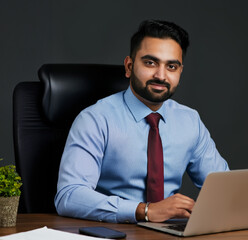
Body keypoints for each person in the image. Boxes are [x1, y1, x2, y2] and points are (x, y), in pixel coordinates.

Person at [55, 19, 229, 224]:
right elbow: (69, 196)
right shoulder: (95, 119)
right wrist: (144, 211)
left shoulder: (190, 120)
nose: (161, 75)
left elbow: (224, 189)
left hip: (169, 233)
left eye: (171, 66)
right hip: (114, 232)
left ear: (180, 72)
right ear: (129, 66)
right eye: (150, 63)